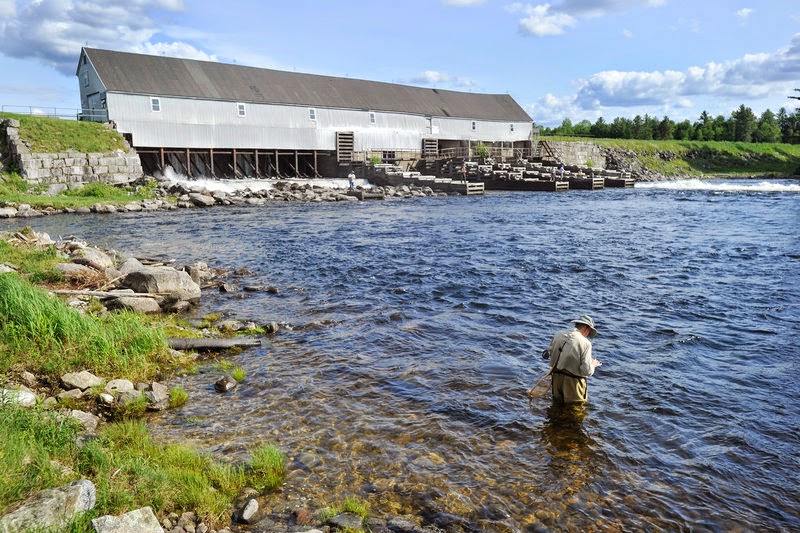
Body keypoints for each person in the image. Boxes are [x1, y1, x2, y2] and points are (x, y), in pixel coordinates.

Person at [544, 315, 601, 404]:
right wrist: (593, 365)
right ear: (587, 328)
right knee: (576, 409)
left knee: (556, 405)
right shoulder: (586, 343)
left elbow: (551, 354)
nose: (588, 335)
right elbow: (586, 371)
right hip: (573, 383)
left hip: (556, 379)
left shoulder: (558, 334)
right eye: (589, 332)